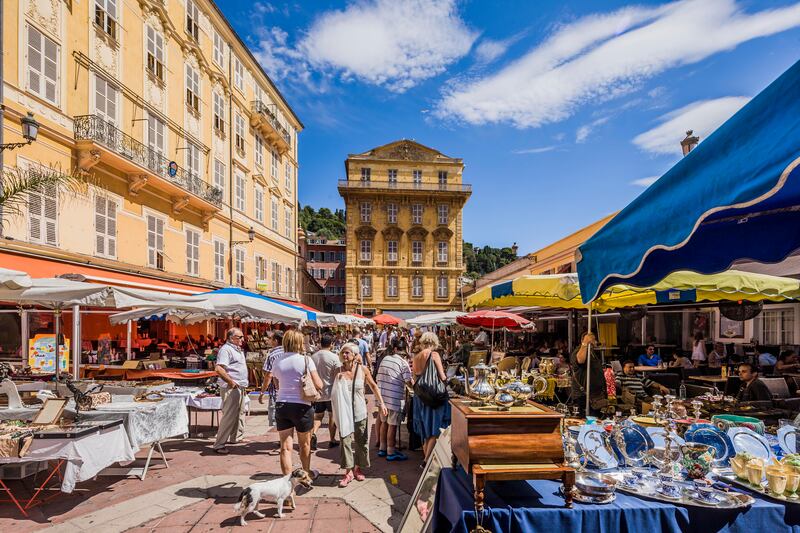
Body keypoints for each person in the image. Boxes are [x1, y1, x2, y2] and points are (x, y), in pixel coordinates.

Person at [262, 330, 324, 480]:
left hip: (282, 404)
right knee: (304, 445)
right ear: (299, 343)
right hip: (302, 405)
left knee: (285, 447)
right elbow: (319, 384)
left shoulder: (277, 360)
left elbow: (276, 383)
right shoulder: (306, 360)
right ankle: (306, 474)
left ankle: (287, 482)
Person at [331, 343, 387, 487]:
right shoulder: (338, 371)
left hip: (360, 411)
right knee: (345, 441)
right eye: (343, 352)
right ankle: (348, 472)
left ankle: (358, 468)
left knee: (361, 441)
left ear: (355, 355)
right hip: (345, 413)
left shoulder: (363, 370)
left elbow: (374, 386)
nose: (344, 355)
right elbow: (334, 394)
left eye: (348, 352)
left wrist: (382, 403)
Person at [412, 332, 451, 460]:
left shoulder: (416, 358)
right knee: (436, 427)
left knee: (425, 429)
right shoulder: (434, 355)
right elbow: (442, 376)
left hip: (420, 396)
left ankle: (426, 458)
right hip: (433, 396)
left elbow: (415, 378)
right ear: (434, 343)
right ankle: (426, 460)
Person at [212, 327, 248, 454]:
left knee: (240, 413)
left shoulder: (237, 349)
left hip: (240, 386)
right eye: (240, 337)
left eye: (243, 337)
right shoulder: (226, 350)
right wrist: (231, 382)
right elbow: (219, 369)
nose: (242, 339)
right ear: (231, 338)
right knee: (229, 415)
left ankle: (235, 437)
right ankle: (219, 444)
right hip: (231, 387)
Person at [376, 337, 413, 461]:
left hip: (382, 397)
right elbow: (409, 382)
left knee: (384, 422)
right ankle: (391, 451)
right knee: (392, 425)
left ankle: (382, 448)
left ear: (395, 349)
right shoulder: (403, 363)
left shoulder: (385, 358)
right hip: (394, 398)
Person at [311, 333, 341, 450]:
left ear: (320, 343)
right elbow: (337, 375)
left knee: (318, 416)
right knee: (332, 415)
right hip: (331, 392)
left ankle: (313, 433)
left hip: (317, 392)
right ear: (332, 344)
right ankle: (332, 439)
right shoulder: (334, 357)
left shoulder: (313, 357)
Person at [569, 332, 606, 416]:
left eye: (594, 340)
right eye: (591, 340)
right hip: (584, 395)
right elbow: (580, 360)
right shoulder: (579, 351)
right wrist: (585, 343)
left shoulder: (592, 352)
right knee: (586, 420)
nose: (594, 342)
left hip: (595, 395)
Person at [259, 330, 284, 428]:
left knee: (275, 416)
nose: (268, 341)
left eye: (270, 339)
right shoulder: (289, 352)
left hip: (276, 391)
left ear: (276, 341)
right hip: (290, 390)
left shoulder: (272, 355)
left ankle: (280, 440)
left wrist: (262, 392)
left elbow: (269, 375)